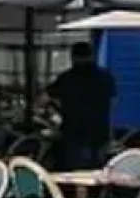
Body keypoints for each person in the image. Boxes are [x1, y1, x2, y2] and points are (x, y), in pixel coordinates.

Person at [46, 42, 115, 170]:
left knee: (75, 171)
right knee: (98, 169)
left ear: (73, 57)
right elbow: (113, 100)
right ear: (92, 55)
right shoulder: (106, 77)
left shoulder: (67, 78)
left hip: (74, 132)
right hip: (100, 131)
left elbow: (48, 96)